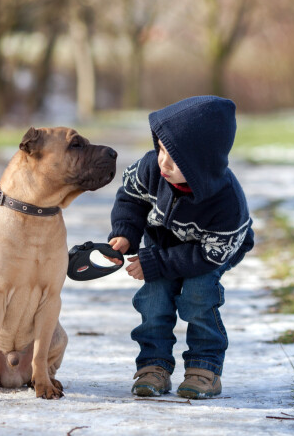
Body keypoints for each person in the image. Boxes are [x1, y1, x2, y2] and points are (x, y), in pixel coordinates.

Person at [107, 95, 254, 399]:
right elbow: (130, 198)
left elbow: (209, 255)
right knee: (154, 297)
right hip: (164, 243)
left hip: (212, 251)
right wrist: (125, 232)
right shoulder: (151, 169)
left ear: (202, 164)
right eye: (160, 149)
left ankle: (205, 368)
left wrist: (157, 262)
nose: (163, 161)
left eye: (176, 158)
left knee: (199, 294)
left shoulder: (227, 203)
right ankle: (153, 366)